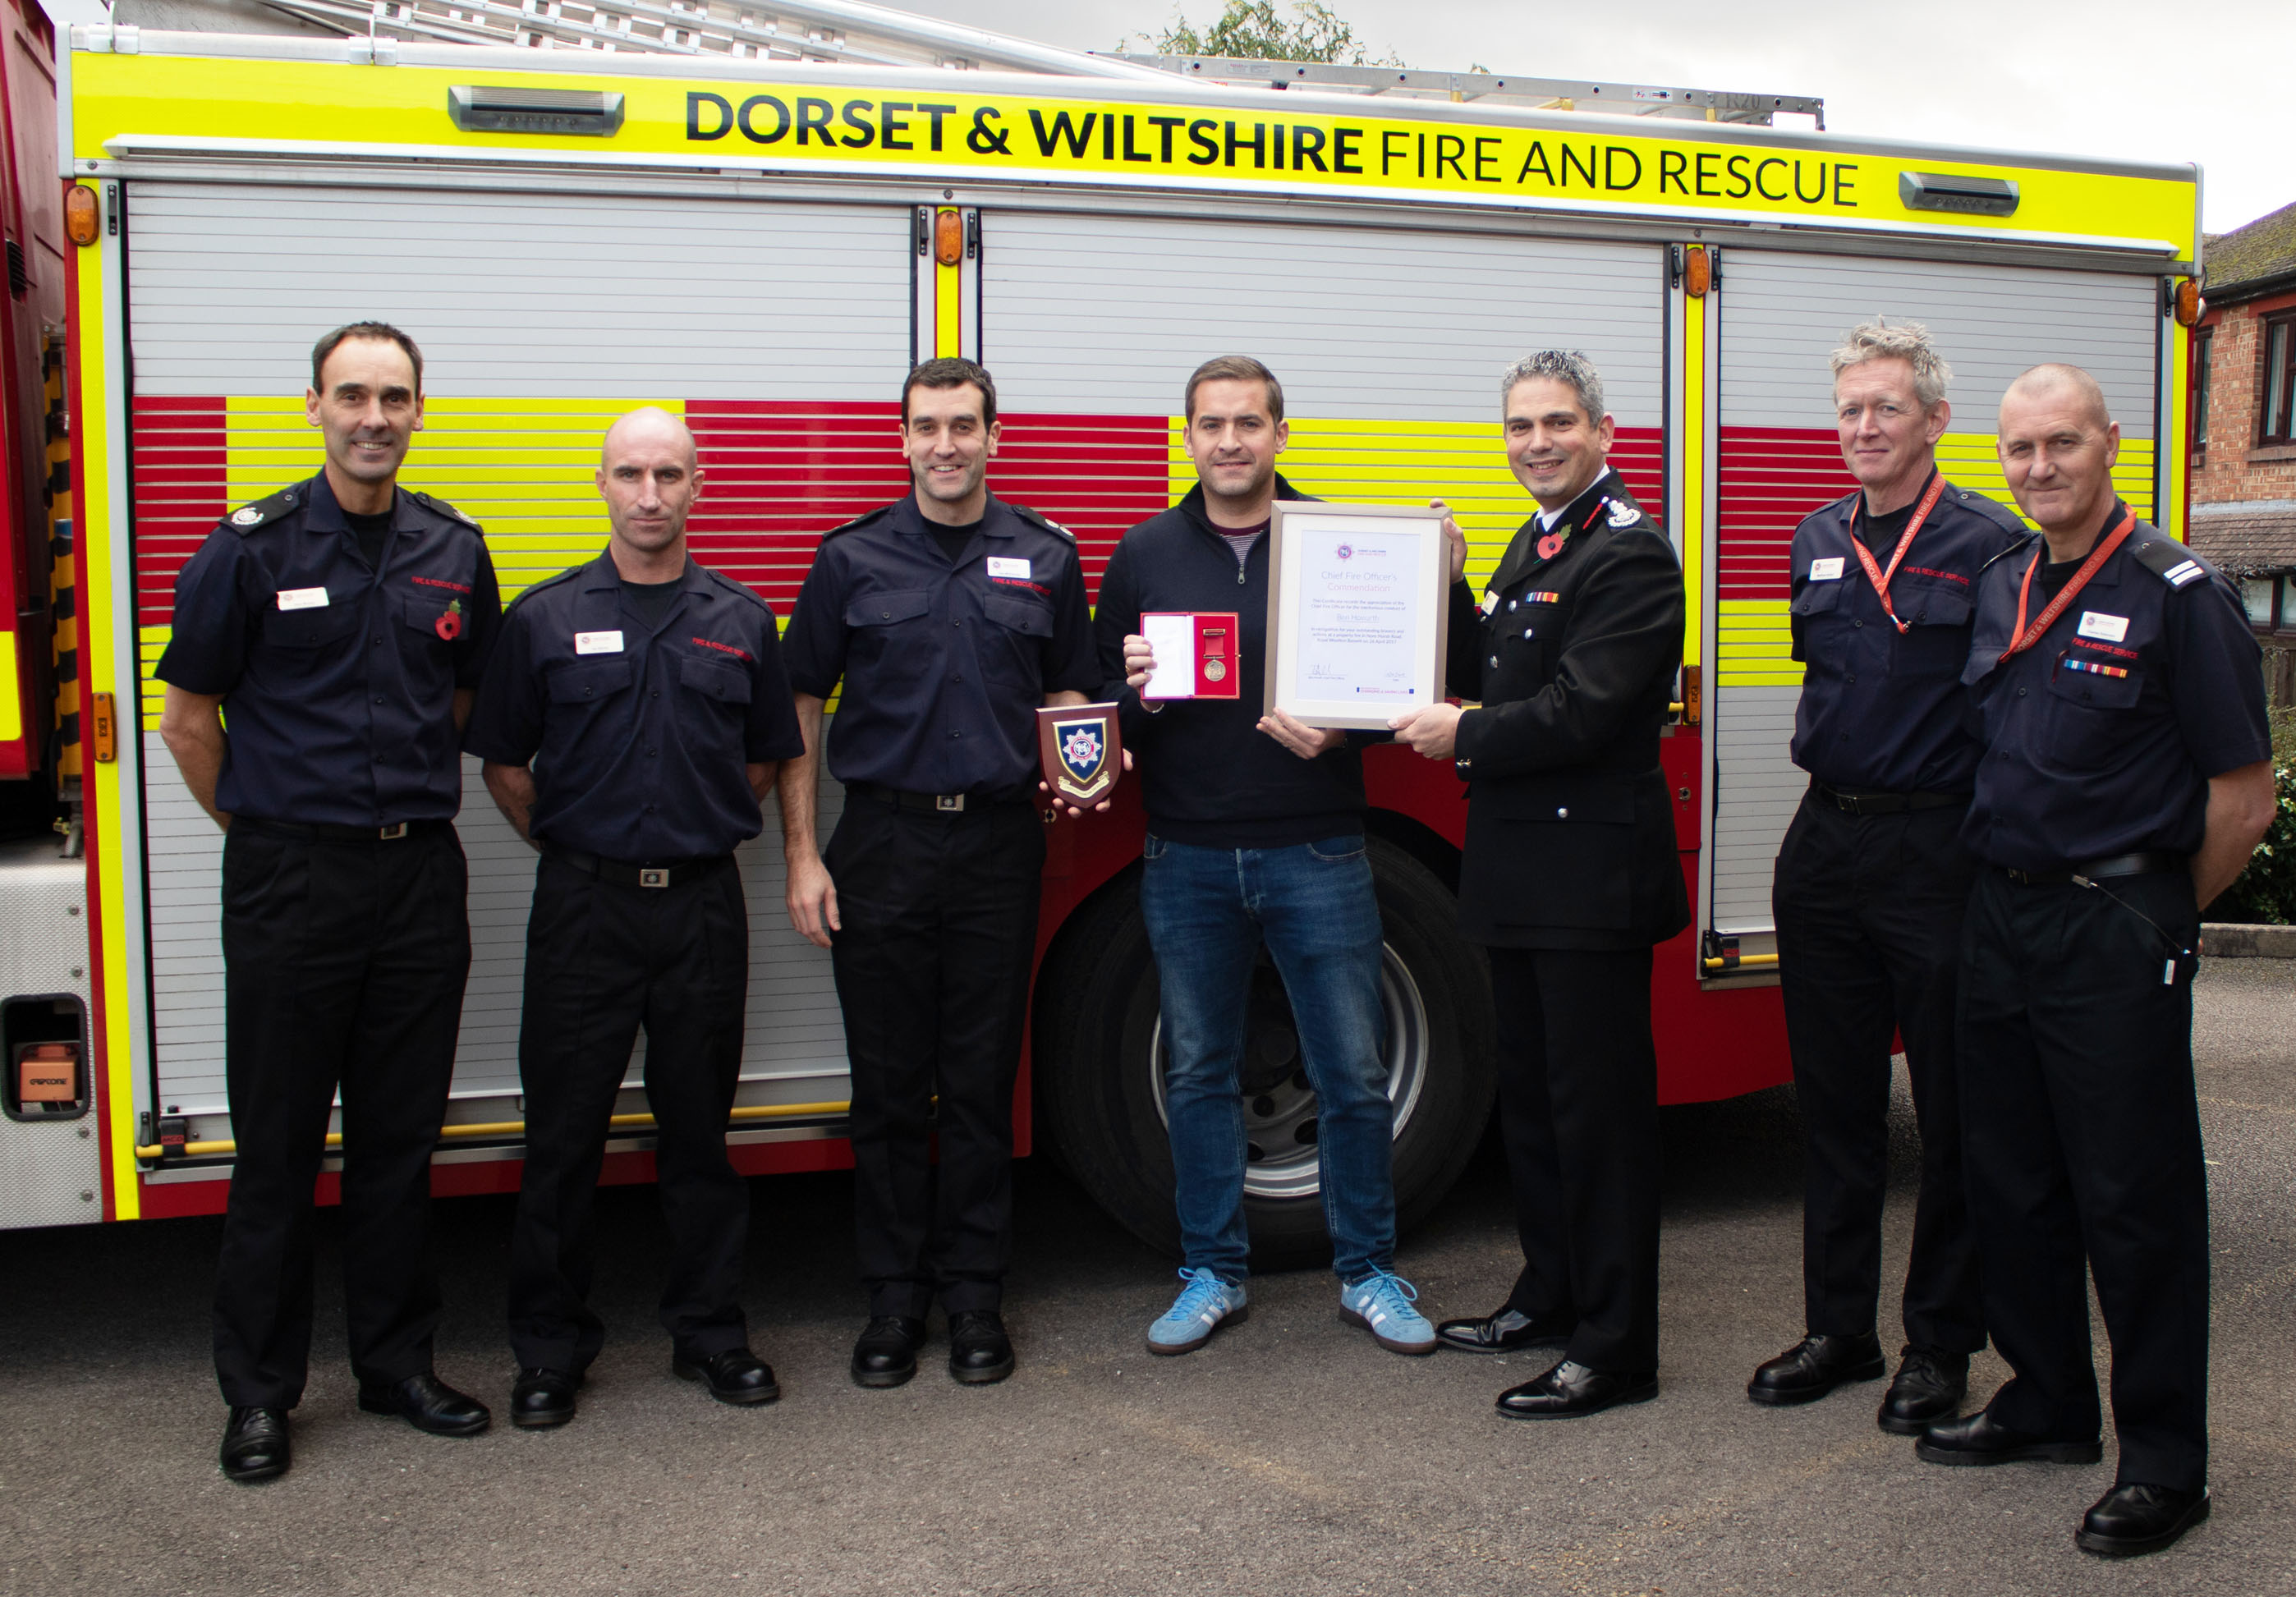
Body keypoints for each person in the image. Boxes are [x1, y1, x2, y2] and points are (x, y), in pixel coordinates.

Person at [1918, 364, 2274, 1558]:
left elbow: (2243, 793)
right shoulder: (2007, 579)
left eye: (2061, 444)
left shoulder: (2177, 592)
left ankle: (2167, 1463)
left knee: (2136, 1202)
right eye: (2019, 450)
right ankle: (2048, 1401)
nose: (2038, 468)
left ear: (2109, 444)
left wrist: (2157, 913)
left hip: (2110, 929)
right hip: (2002, 918)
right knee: (2009, 1180)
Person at [155, 322, 503, 1483]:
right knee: (278, 1151)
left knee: (401, 1144)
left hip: (415, 879)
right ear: (313, 406)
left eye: (394, 396)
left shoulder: (456, 547)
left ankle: (397, 1367)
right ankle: (259, 1396)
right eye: (352, 394)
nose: (373, 416)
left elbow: (462, 706)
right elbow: (188, 722)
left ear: (418, 410)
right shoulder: (248, 548)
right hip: (290, 879)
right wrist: (269, 834)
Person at [465, 407, 804, 1425]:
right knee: (561, 1140)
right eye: (630, 474)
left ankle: (710, 1333)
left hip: (702, 906)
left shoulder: (742, 620)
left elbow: (764, 760)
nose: (649, 494)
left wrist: (682, 835)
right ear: (602, 484)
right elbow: (505, 765)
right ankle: (549, 1352)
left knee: (699, 1134)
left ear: (699, 485)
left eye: (668, 474)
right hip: (584, 909)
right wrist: (585, 849)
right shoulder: (543, 618)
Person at [1095, 355, 1435, 1359]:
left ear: (1281, 434)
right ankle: (1212, 1271)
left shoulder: (1339, 542)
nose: (1231, 441)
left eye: (1250, 422)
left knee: (1353, 1072)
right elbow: (1096, 714)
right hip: (1187, 857)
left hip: (1316, 850)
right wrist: (1135, 693)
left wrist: (1350, 732)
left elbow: (1403, 683)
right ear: (1187, 437)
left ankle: (1369, 1271)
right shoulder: (1143, 552)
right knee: (1199, 1071)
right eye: (1213, 424)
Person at [777, 357, 1098, 1388]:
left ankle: (972, 1298)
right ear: (903, 438)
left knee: (976, 1084)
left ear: (994, 437)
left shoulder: (1046, 557)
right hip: (881, 845)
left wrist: (1079, 764)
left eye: (964, 425)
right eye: (927, 427)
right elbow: (800, 707)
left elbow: (1071, 699)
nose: (945, 444)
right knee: (884, 1088)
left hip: (1001, 847)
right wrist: (801, 851)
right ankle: (891, 1301)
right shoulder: (851, 558)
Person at [1391, 350, 1688, 1419]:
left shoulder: (1632, 553)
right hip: (1520, 865)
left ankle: (1616, 1345)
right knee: (1536, 1104)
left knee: (1597, 1115)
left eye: (1558, 423)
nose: (1537, 443)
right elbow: (1496, 667)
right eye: (1520, 426)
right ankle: (1550, 1294)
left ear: (1603, 431)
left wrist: (1462, 730)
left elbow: (1584, 708)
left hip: (1586, 874)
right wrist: (1457, 580)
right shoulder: (1537, 537)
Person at [1746, 322, 2024, 1429]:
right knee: (1835, 1105)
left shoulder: (1992, 544)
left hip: (1937, 848)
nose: (1864, 427)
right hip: (1827, 845)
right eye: (1851, 408)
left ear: (1935, 421)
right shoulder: (1817, 534)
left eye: (1887, 408)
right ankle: (1839, 1330)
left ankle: (1940, 1345)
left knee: (1949, 1112)